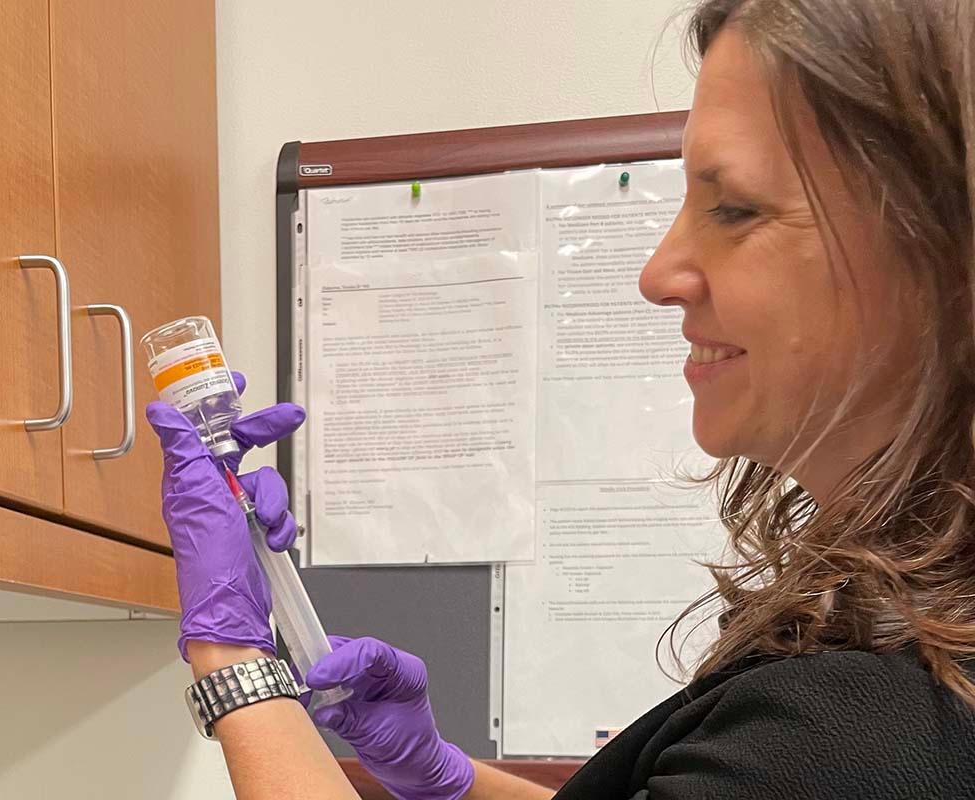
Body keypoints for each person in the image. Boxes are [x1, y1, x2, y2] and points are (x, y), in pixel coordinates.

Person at [146, 0, 975, 796]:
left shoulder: (864, 729)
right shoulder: (903, 661)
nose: (657, 273)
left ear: (941, 247)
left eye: (734, 207)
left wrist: (236, 663)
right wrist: (449, 778)